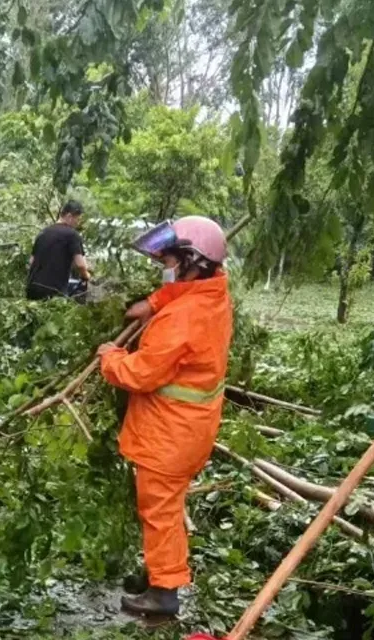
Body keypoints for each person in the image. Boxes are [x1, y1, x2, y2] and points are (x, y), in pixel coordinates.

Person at [96, 216, 233, 617]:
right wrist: (152, 302)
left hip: (169, 434)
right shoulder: (213, 294)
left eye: (171, 260)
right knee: (166, 508)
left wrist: (110, 357)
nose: (166, 267)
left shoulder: (183, 319)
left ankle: (164, 592)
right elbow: (184, 294)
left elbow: (140, 373)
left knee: (160, 510)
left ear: (192, 260)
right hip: (189, 428)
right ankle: (160, 570)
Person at [26, 200, 91, 300]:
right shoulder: (72, 234)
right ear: (69, 216)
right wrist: (86, 276)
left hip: (33, 288)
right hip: (53, 291)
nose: (77, 223)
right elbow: (80, 265)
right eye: (77, 219)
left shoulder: (43, 233)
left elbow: (31, 262)